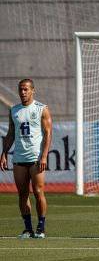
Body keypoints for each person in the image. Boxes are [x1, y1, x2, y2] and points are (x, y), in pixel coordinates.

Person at [0, 79, 52, 239]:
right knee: (22, 193)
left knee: (37, 192)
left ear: (32, 90)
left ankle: (41, 228)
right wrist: (4, 153)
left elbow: (48, 133)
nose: (23, 92)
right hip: (19, 157)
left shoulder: (41, 109)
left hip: (36, 158)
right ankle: (28, 229)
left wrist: (44, 156)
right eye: (21, 89)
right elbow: (10, 134)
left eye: (26, 89)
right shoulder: (14, 110)